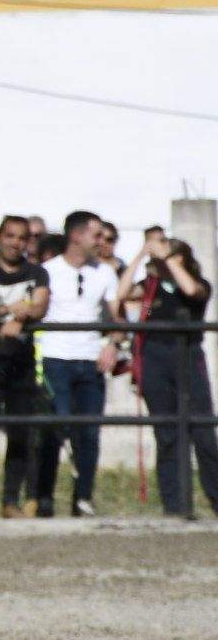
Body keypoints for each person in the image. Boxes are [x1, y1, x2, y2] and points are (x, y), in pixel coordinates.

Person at [124, 232, 216, 519]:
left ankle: (214, 497)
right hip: (155, 359)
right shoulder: (151, 287)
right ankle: (174, 504)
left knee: (202, 433)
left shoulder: (198, 285)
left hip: (187, 358)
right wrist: (141, 255)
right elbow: (122, 294)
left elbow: (190, 290)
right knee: (166, 434)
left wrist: (167, 258)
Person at [38, 210, 115, 519]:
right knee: (55, 430)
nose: (101, 242)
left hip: (90, 361)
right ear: (76, 236)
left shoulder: (105, 273)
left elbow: (115, 315)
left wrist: (113, 344)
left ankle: (83, 497)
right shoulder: (47, 271)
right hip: (56, 359)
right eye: (96, 235)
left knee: (90, 433)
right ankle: (44, 497)